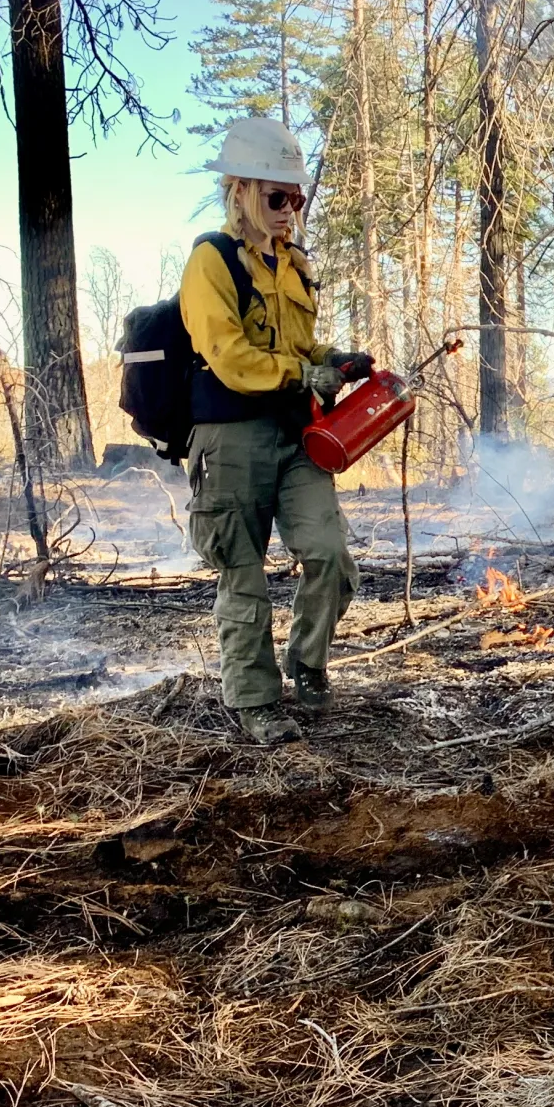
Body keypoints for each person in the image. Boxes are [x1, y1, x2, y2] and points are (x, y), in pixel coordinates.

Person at [181, 117, 371, 745]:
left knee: (329, 555)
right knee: (244, 573)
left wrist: (335, 359)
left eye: (297, 196)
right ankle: (256, 701)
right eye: (276, 196)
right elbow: (232, 358)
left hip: (296, 435)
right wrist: (306, 373)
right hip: (230, 440)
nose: (290, 208)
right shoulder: (211, 262)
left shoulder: (294, 264)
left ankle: (308, 666)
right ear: (239, 192)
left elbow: (301, 345)